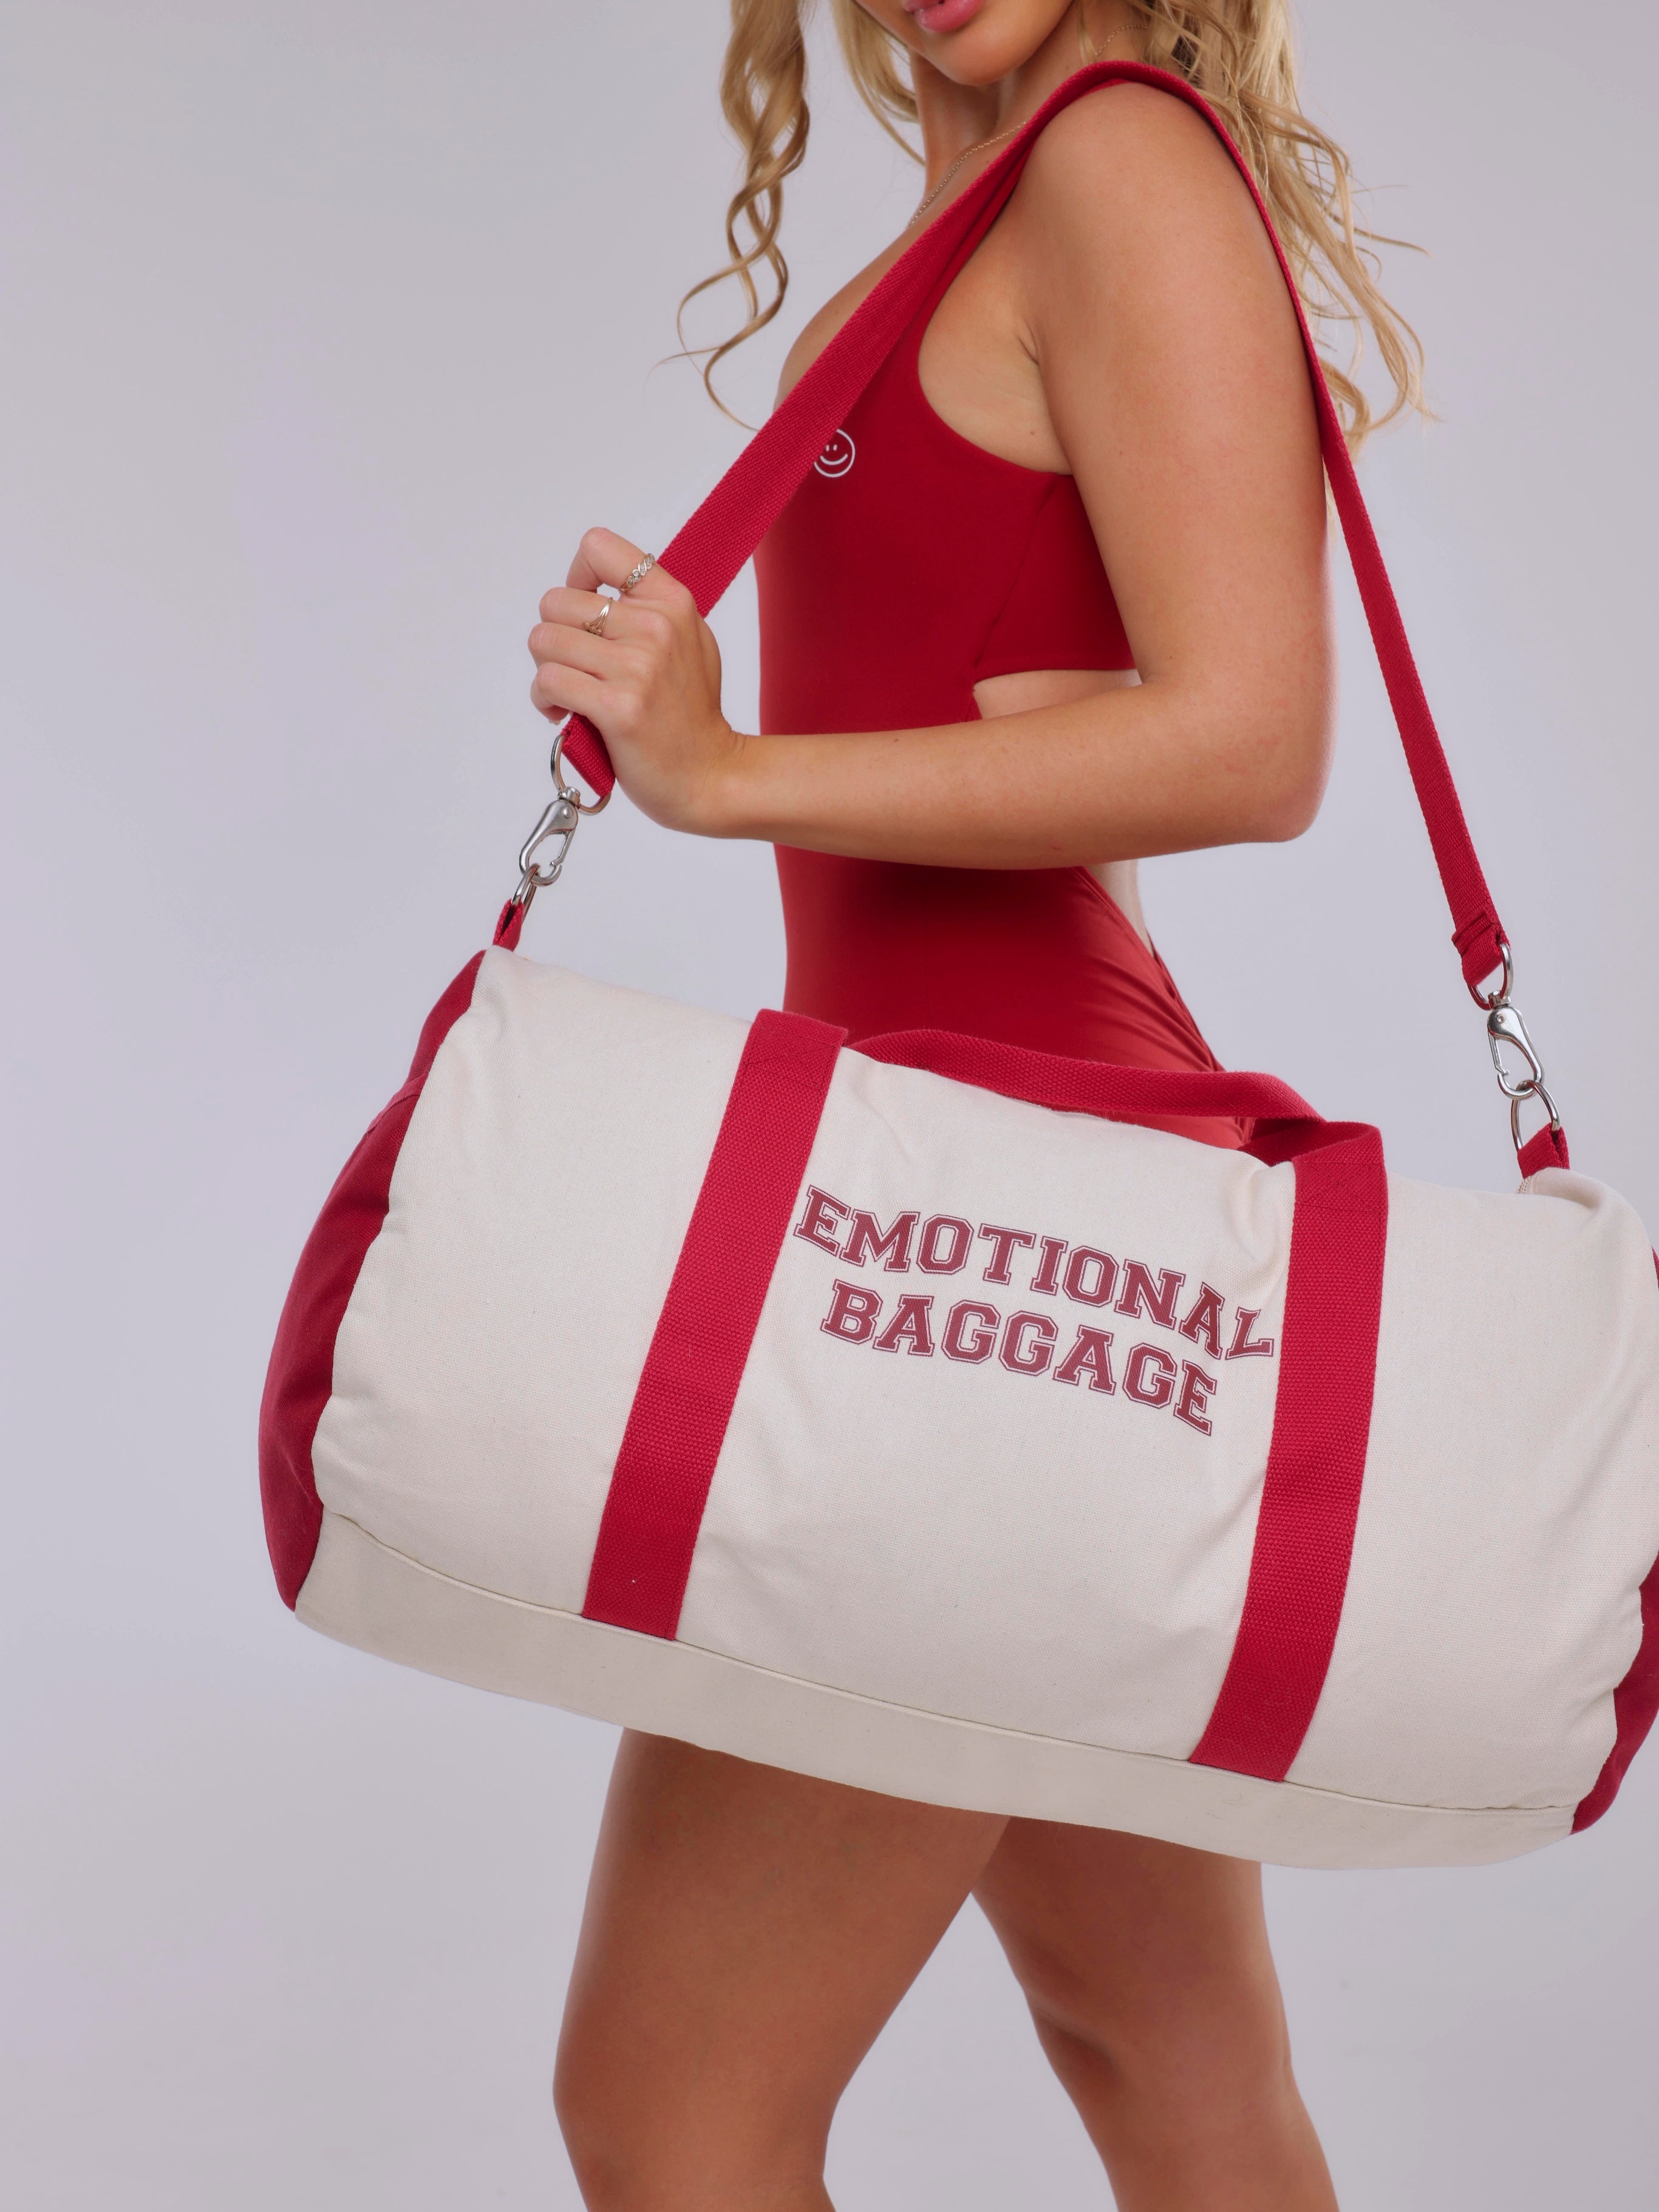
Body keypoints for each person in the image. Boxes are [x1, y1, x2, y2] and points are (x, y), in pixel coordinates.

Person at [525, 4, 1422, 2205]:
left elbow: (1254, 739)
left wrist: (728, 774)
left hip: (993, 1242)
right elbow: (1065, 696)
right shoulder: (974, 214)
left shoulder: (1118, 164)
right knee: (1162, 2062)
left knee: (669, 2111)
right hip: (993, 1214)